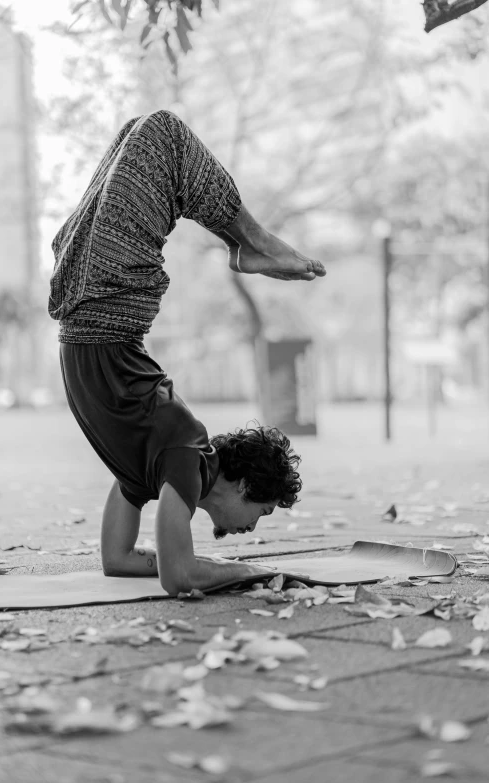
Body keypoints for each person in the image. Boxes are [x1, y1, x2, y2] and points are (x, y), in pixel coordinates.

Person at [49, 110, 325, 595]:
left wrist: (198, 561)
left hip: (88, 304)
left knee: (150, 136)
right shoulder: (184, 455)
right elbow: (179, 578)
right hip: (107, 304)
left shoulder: (155, 469)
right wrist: (249, 572)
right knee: (157, 134)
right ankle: (252, 243)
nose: (252, 530)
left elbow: (117, 561)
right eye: (261, 513)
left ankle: (246, 245)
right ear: (242, 486)